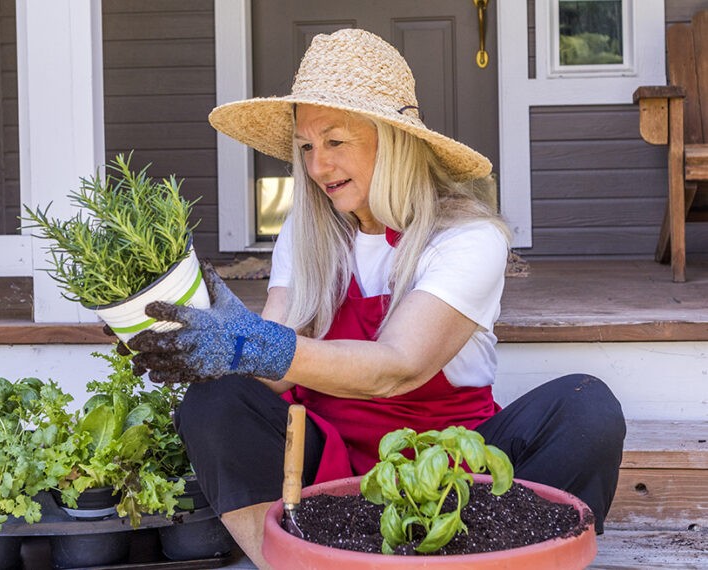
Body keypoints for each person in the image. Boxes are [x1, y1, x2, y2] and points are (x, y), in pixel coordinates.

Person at [125, 29, 625, 569]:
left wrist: (255, 345)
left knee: (586, 406)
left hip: (456, 473)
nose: (318, 168)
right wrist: (196, 337)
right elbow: (275, 376)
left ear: (395, 139)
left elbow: (399, 367)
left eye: (336, 142)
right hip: (327, 474)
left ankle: (494, 560)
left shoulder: (468, 235)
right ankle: (289, 561)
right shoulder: (307, 231)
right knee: (216, 404)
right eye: (307, 148)